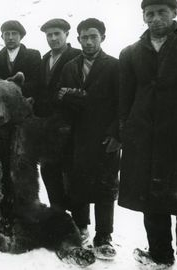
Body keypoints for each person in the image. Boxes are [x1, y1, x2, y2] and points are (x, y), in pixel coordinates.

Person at [118, 0, 177, 269]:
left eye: (162, 12)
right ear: (143, 17)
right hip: (144, 140)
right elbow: (125, 99)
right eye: (150, 13)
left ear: (174, 13)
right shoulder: (130, 52)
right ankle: (161, 256)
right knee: (152, 201)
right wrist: (127, 132)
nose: (156, 18)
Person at [58, 18, 120, 260]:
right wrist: (72, 99)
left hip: (105, 136)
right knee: (77, 184)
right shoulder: (69, 67)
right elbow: (62, 99)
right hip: (76, 135)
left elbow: (121, 102)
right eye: (85, 37)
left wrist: (117, 133)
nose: (89, 41)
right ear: (78, 39)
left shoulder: (115, 66)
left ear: (103, 38)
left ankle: (104, 235)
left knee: (105, 187)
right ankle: (81, 226)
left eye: (94, 36)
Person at [0, 19, 41, 230]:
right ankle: (5, 211)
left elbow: (38, 83)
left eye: (14, 33)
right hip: (2, 122)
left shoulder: (33, 55)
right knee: (3, 163)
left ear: (21, 36)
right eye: (6, 33)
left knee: (24, 164)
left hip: (24, 120)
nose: (10, 37)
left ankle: (27, 209)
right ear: (2, 36)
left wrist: (13, 86)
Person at [37, 18, 82, 235]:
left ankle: (80, 224)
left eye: (57, 34)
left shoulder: (77, 57)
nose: (53, 38)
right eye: (49, 35)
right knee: (49, 172)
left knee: (72, 175)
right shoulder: (45, 59)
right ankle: (58, 216)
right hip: (47, 129)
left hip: (71, 128)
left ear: (67, 34)